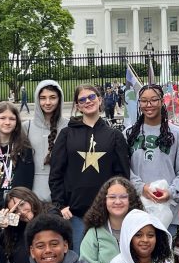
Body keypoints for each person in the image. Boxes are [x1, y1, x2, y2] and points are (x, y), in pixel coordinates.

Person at [49, 84, 131, 251]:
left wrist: (118, 204)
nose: (88, 101)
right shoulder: (66, 135)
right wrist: (60, 204)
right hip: (75, 214)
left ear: (100, 100)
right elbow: (56, 173)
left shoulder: (114, 136)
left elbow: (122, 176)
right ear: (78, 106)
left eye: (92, 97)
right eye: (82, 99)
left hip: (107, 214)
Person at [125, 84, 179, 230]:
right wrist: (141, 187)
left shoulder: (176, 134)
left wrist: (170, 192)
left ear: (162, 101)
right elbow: (121, 168)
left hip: (168, 214)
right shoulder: (128, 134)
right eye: (144, 101)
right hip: (136, 211)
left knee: (166, 252)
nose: (148, 105)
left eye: (153, 100)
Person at [79, 177, 142, 263]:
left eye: (123, 197)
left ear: (131, 200)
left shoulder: (141, 231)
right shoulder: (94, 234)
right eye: (112, 197)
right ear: (104, 201)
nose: (117, 202)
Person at [25, 80, 68, 204]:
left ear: (60, 99)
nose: (47, 102)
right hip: (32, 197)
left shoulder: (69, 126)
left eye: (52, 97)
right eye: (43, 98)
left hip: (61, 196)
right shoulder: (26, 127)